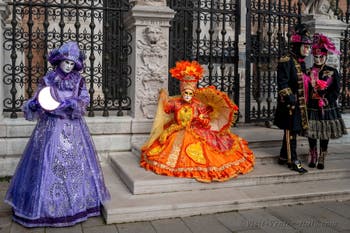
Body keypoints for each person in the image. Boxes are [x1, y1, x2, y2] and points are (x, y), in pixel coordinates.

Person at [5, 42, 110, 227]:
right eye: (66, 62)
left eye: (72, 63)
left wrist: (73, 104)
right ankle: (42, 208)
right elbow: (40, 98)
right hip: (51, 127)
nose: (69, 66)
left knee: (74, 166)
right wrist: (35, 104)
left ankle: (76, 206)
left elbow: (85, 99)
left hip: (72, 128)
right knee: (48, 163)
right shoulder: (48, 79)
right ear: (59, 61)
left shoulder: (78, 80)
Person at [140, 60, 255, 182]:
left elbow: (205, 121)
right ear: (182, 92)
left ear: (193, 92)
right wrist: (163, 96)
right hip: (176, 130)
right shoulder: (176, 102)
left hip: (195, 131)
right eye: (185, 93)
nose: (187, 96)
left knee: (206, 150)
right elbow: (166, 109)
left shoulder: (198, 105)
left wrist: (202, 119)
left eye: (190, 93)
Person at [274, 23, 312, 174]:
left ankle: (284, 156)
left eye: (309, 47)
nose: (308, 50)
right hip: (290, 105)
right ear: (297, 46)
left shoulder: (300, 62)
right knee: (291, 132)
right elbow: (282, 83)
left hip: (299, 104)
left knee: (292, 131)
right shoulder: (286, 60)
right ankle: (293, 160)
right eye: (306, 47)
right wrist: (291, 98)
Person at [305, 33, 347, 169]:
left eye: (320, 57)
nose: (318, 59)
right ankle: (313, 153)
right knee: (311, 131)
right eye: (315, 57)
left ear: (325, 56)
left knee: (324, 131)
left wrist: (328, 99)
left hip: (327, 106)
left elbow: (336, 89)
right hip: (311, 106)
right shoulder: (308, 71)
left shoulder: (332, 71)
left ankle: (322, 155)